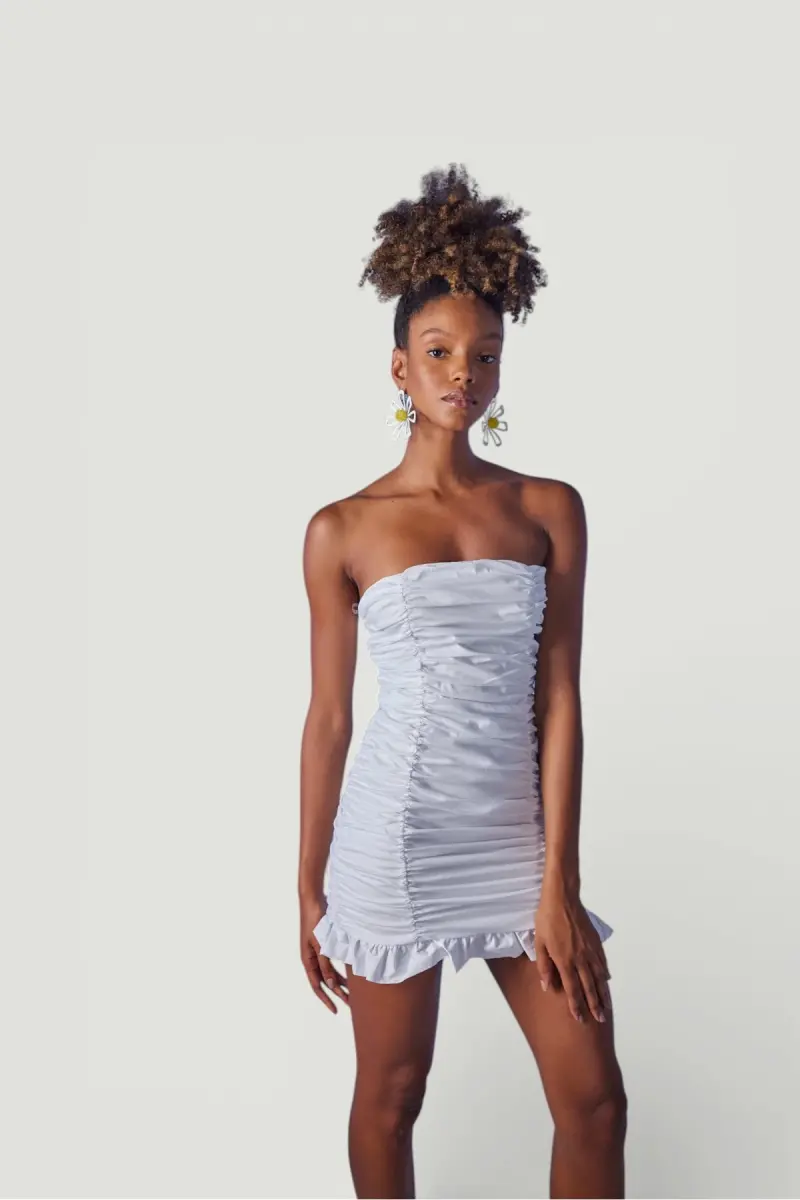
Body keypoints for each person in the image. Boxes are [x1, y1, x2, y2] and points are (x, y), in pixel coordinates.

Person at [298, 162, 627, 1199]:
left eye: (484, 355)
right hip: (393, 841)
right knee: (393, 1094)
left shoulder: (548, 508)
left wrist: (558, 880)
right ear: (398, 366)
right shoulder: (341, 529)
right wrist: (306, 887)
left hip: (516, 842)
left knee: (594, 1102)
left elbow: (559, 699)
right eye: (438, 352)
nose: (462, 374)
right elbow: (329, 719)